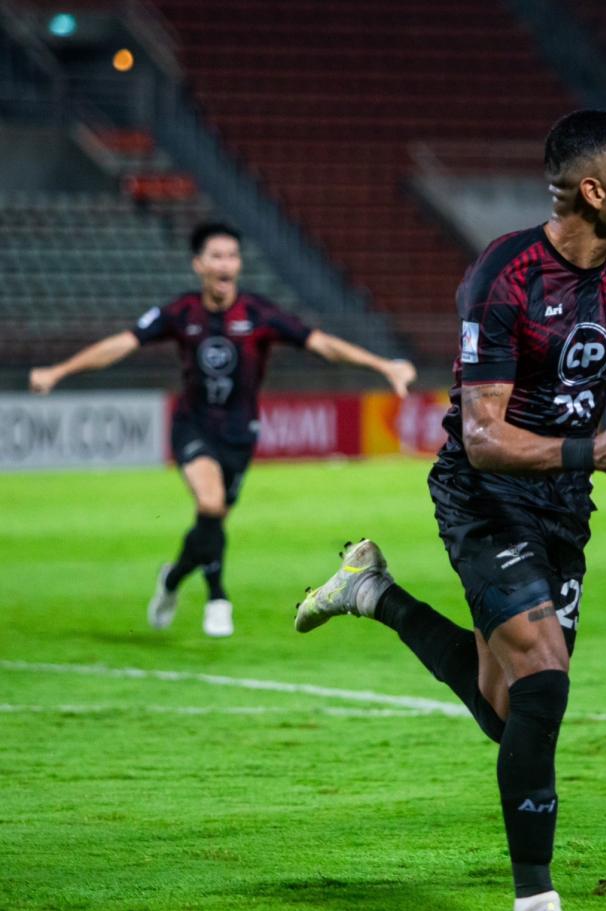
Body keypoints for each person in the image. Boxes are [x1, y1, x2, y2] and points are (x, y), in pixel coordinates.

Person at [293, 110, 606, 911]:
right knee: (544, 682)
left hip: (562, 508)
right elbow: (484, 437)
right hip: (484, 497)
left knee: (513, 716)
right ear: (592, 189)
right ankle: (534, 909)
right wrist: (593, 450)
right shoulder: (502, 278)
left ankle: (373, 592)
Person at [27, 221, 416, 638]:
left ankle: (172, 580)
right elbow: (121, 344)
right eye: (216, 256)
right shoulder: (182, 312)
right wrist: (59, 370)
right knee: (210, 504)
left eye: (232, 255)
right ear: (199, 264)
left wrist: (382, 365)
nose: (225, 263)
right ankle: (217, 596)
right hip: (192, 426)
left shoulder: (258, 313)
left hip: (239, 436)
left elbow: (321, 343)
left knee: (209, 526)